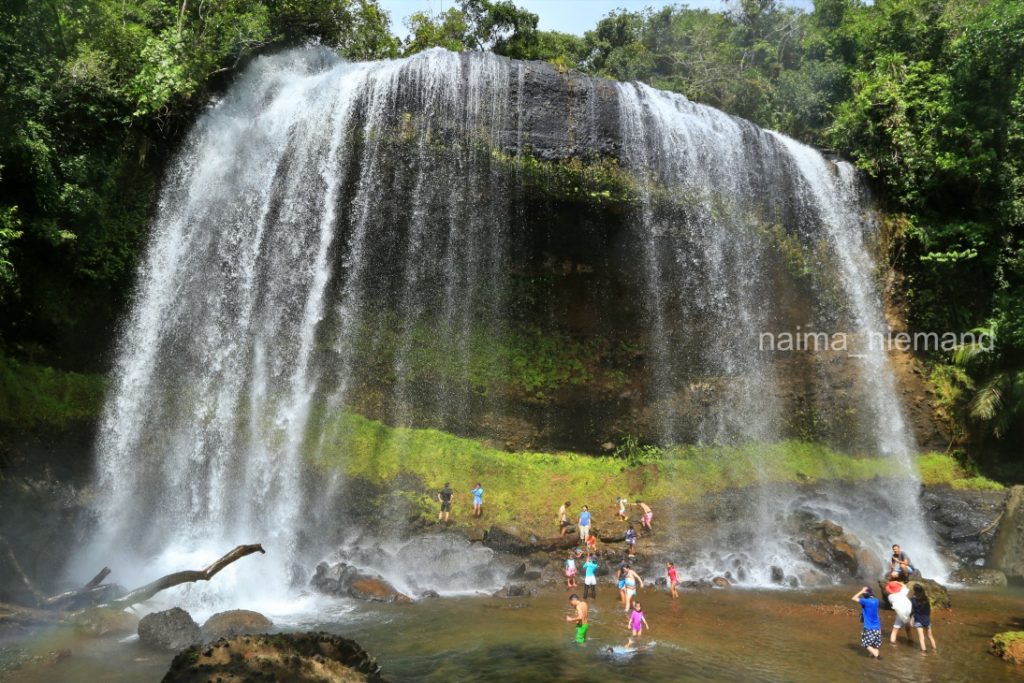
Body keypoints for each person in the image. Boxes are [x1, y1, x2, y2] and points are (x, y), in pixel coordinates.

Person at [851, 586, 881, 659]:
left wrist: (861, 591)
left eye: (863, 592)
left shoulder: (865, 601)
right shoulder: (876, 600)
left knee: (866, 644)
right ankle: (874, 658)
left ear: (865, 593)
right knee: (874, 645)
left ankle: (877, 656)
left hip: (869, 627)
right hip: (877, 627)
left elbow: (854, 598)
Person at [910, 583, 937, 652]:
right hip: (926, 620)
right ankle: (935, 650)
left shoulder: (913, 599)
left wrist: (911, 618)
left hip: (918, 620)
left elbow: (912, 610)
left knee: (921, 638)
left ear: (915, 591)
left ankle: (924, 652)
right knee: (930, 636)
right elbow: (929, 610)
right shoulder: (926, 599)